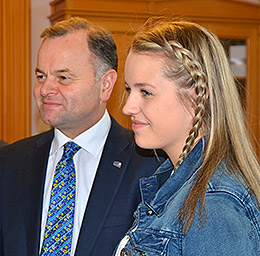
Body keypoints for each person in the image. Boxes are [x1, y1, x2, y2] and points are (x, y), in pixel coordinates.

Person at [0, 17, 163, 256]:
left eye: (63, 78)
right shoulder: (9, 163)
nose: (45, 89)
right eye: (41, 76)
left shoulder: (151, 167)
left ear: (105, 84)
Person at [114, 17, 260, 255]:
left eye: (146, 92)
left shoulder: (212, 206)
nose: (128, 107)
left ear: (196, 98)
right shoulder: (172, 181)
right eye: (129, 90)